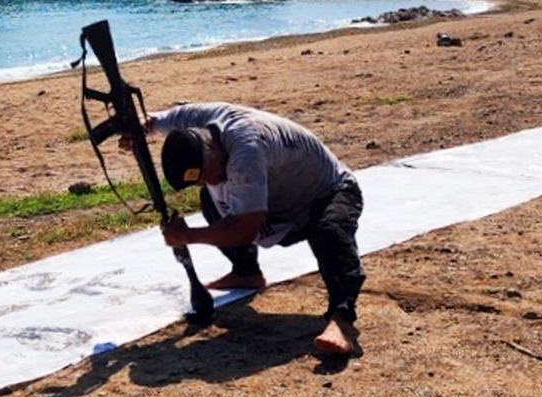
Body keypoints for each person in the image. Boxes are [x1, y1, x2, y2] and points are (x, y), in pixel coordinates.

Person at [126, 102, 366, 356]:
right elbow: (165, 118)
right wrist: (144, 124)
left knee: (329, 231)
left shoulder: (246, 152)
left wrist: (187, 235)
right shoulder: (199, 122)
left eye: (207, 172)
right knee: (210, 198)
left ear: (210, 146)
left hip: (327, 192)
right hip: (279, 200)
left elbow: (243, 231)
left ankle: (342, 320)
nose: (209, 180)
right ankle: (246, 272)